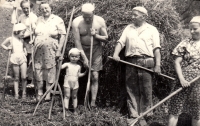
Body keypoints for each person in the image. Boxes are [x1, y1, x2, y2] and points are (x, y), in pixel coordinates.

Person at [112, 6, 161, 126]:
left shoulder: (152, 29)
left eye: (135, 15)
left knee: (146, 90)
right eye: (132, 14)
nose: (132, 17)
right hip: (131, 62)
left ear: (144, 16)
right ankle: (134, 115)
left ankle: (144, 116)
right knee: (132, 89)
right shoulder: (129, 28)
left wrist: (158, 65)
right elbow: (121, 42)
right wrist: (115, 54)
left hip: (147, 62)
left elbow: (156, 48)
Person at [72, 3, 108, 107]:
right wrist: (84, 58)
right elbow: (77, 42)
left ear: (93, 13)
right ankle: (75, 99)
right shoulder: (76, 22)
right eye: (85, 17)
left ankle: (93, 102)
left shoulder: (100, 21)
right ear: (82, 13)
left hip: (96, 49)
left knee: (95, 76)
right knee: (77, 73)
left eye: (90, 17)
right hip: (81, 49)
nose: (87, 20)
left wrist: (96, 35)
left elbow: (106, 39)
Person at [168, 16, 200, 126]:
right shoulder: (185, 43)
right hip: (183, 80)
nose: (192, 31)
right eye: (190, 29)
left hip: (198, 83)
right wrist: (181, 79)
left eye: (195, 28)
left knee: (197, 111)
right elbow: (176, 62)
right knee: (175, 109)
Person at [32, 1, 66, 101]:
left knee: (50, 70)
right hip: (38, 50)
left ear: (51, 8)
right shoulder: (38, 20)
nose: (44, 10)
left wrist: (59, 50)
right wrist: (33, 40)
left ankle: (48, 94)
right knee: (38, 69)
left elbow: (63, 35)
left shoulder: (57, 19)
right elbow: (35, 33)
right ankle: (40, 92)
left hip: (51, 49)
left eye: (46, 8)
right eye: (42, 9)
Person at [1, 23, 27, 99]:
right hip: (14, 57)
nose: (23, 34)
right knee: (16, 77)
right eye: (22, 32)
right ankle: (16, 94)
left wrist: (25, 51)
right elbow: (2, 44)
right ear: (17, 32)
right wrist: (7, 48)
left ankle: (24, 93)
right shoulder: (11, 39)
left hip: (22, 57)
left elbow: (24, 48)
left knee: (24, 77)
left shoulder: (22, 40)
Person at [61, 48, 87, 116]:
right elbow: (60, 67)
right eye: (72, 56)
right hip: (67, 82)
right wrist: (59, 61)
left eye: (76, 57)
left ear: (79, 57)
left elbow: (78, 75)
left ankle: (75, 109)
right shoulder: (67, 64)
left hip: (75, 83)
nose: (74, 58)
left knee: (74, 96)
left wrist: (85, 73)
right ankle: (66, 110)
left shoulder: (78, 66)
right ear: (69, 56)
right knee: (67, 96)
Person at [18, 0, 38, 88]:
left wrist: (26, 35)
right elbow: (17, 27)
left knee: (30, 59)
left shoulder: (33, 17)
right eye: (24, 8)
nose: (26, 10)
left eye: (27, 8)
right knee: (22, 58)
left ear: (31, 8)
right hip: (21, 40)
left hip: (30, 40)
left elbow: (35, 31)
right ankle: (22, 78)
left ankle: (31, 79)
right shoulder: (21, 17)